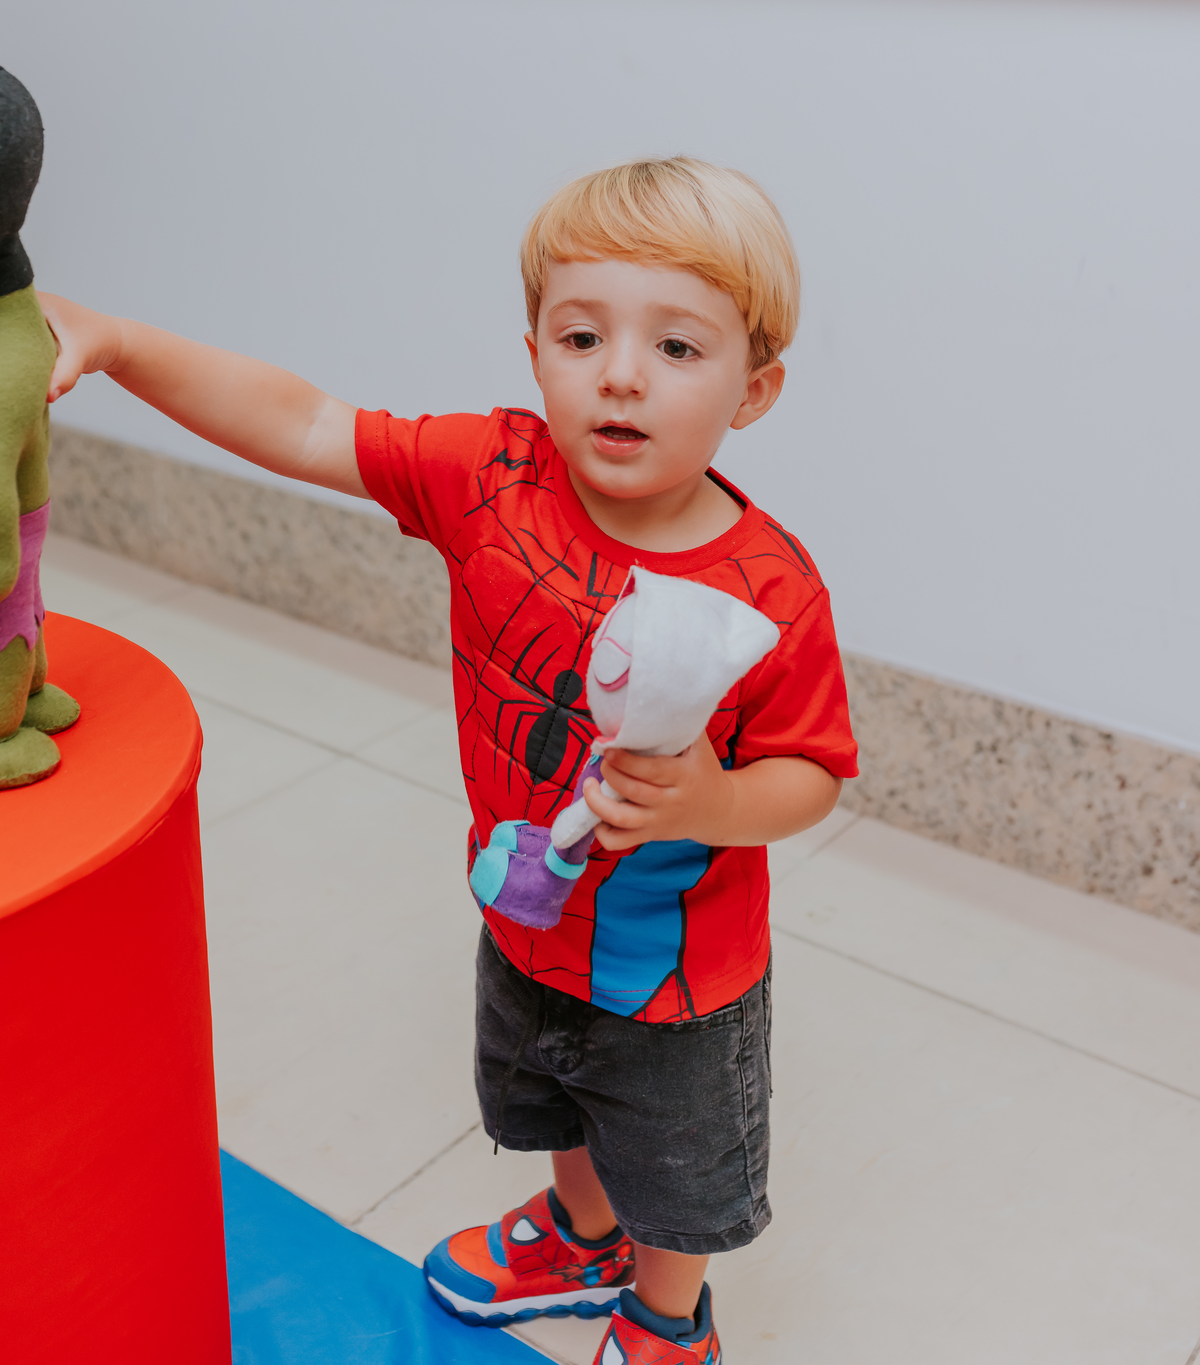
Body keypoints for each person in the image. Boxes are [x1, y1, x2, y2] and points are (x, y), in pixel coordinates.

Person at [40, 156, 858, 1365]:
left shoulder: (770, 588)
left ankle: (669, 1314)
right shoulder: (492, 477)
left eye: (678, 348)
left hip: (677, 977)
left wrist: (713, 797)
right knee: (550, 1097)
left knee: (674, 1168)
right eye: (583, 334)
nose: (621, 373)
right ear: (535, 350)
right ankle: (583, 1233)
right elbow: (307, 422)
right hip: (522, 908)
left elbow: (816, 773)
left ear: (756, 387)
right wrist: (116, 340)